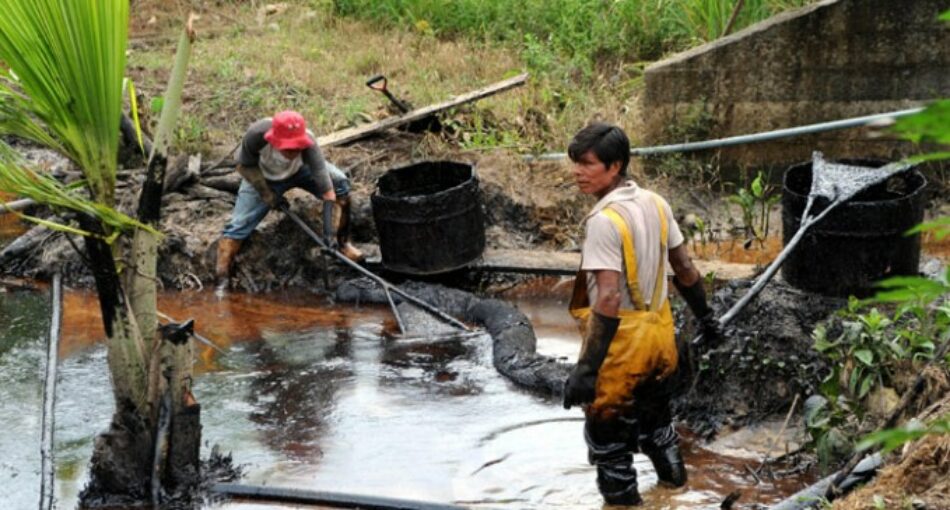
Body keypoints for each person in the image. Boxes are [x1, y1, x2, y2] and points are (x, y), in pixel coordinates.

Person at [561, 123, 720, 506]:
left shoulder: (603, 222)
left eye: (587, 164)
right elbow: (684, 269)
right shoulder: (656, 203)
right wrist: (707, 319)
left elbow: (609, 299)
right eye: (575, 163)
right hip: (661, 341)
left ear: (614, 167)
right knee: (658, 428)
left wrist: (585, 371)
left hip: (621, 352)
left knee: (609, 447)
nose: (577, 172)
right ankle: (675, 493)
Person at [214, 110, 364, 292]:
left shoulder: (309, 141)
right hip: (262, 176)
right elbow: (243, 165)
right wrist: (266, 193)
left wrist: (328, 233)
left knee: (340, 183)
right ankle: (222, 282)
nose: (293, 152)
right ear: (274, 139)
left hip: (300, 172)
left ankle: (343, 245)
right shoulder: (256, 135)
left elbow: (323, 180)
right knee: (237, 226)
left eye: (297, 148)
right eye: (288, 148)